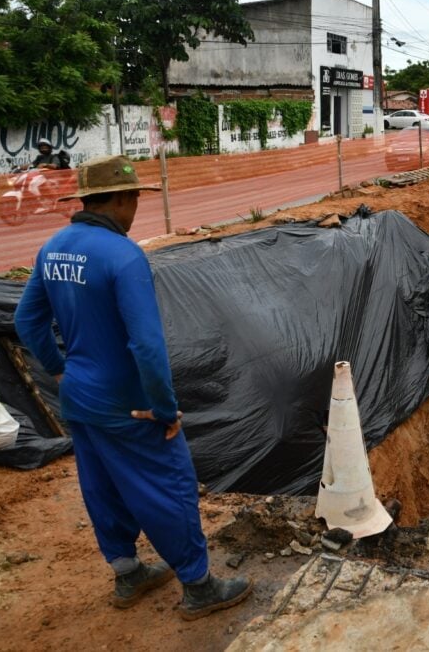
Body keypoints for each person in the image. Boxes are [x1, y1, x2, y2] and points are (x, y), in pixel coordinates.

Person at [13, 155, 253, 620]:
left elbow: (28, 320)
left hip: (79, 397)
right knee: (169, 486)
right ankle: (200, 587)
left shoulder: (54, 248)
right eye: (135, 200)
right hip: (128, 403)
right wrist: (164, 408)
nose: (136, 209)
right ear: (122, 199)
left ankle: (127, 572)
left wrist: (58, 368)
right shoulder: (124, 256)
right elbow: (145, 344)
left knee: (101, 483)